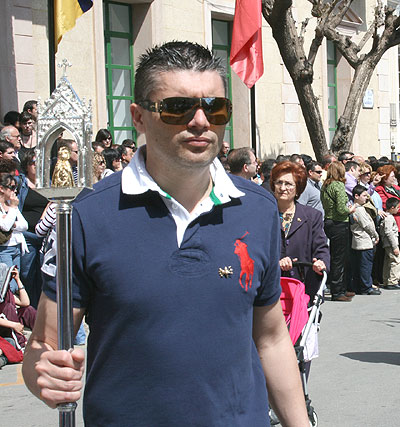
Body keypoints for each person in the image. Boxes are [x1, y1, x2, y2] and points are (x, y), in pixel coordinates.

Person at [23, 41, 307, 425]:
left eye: (215, 108)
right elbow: (44, 346)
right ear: (139, 117)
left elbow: (271, 338)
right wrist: (46, 376)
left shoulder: (258, 208)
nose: (201, 122)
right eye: (178, 108)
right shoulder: (85, 216)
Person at [271, 161, 329, 298]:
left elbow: (321, 247)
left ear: (298, 188)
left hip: (303, 286)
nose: (283, 188)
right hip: (272, 287)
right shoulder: (263, 214)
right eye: (279, 183)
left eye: (289, 184)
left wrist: (321, 262)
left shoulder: (312, 216)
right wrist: (277, 262)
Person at [321, 161, 356, 302]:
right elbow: (342, 209)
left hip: (329, 221)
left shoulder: (325, 186)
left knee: (336, 256)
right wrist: (351, 209)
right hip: (340, 223)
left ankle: (340, 287)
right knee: (340, 258)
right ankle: (338, 291)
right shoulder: (338, 186)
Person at [350, 185, 380, 296]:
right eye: (364, 196)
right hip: (364, 241)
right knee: (365, 266)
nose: (366, 198)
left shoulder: (355, 208)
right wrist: (375, 234)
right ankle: (366, 287)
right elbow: (367, 225)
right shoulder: (359, 209)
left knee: (360, 265)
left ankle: (359, 286)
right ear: (356, 196)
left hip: (359, 241)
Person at [380, 197, 400, 290]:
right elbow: (388, 232)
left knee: (388, 261)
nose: (398, 209)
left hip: (387, 243)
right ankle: (393, 281)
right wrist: (395, 246)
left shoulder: (387, 217)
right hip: (391, 243)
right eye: (397, 207)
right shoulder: (389, 218)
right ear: (392, 207)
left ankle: (386, 280)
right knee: (396, 262)